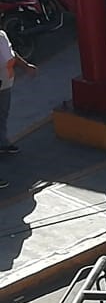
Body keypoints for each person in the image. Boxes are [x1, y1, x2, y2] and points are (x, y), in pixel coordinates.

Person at [0, 27, 37, 186]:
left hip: (4, 86)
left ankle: (2, 143)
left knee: (2, 115)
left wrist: (26, 65)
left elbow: (11, 53)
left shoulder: (1, 35)